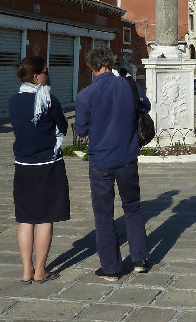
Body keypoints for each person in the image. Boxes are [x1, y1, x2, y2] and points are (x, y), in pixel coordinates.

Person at [74, 47, 151, 281]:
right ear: (111, 63)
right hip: (127, 156)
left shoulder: (85, 95)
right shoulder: (128, 86)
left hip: (100, 160)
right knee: (133, 207)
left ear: (92, 67)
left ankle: (112, 268)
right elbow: (145, 106)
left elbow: (81, 129)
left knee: (104, 215)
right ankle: (139, 259)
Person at [9, 56, 70, 284]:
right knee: (45, 218)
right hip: (47, 165)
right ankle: (40, 271)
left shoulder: (13, 101)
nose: (48, 75)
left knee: (26, 219)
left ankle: (26, 271)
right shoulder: (48, 99)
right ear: (36, 76)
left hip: (23, 165)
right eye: (45, 72)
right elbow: (62, 125)